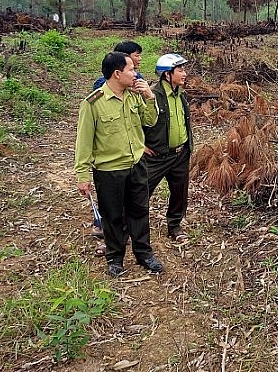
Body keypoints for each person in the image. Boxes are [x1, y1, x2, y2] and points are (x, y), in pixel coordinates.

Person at [75, 51, 165, 277]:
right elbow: (83, 143)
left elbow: (150, 121)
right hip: (109, 171)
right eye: (131, 70)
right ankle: (115, 257)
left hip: (136, 165)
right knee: (113, 215)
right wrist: (82, 176)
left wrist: (149, 97)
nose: (135, 73)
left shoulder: (135, 95)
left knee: (140, 212)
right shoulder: (93, 103)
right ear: (117, 74)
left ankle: (144, 253)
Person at [143, 54, 194, 242]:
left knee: (180, 191)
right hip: (157, 156)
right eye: (180, 70)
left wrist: (187, 146)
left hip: (180, 154)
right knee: (141, 192)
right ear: (167, 75)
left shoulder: (181, 95)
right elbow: (136, 122)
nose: (184, 74)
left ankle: (174, 225)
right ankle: (121, 230)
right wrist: (140, 145)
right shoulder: (152, 95)